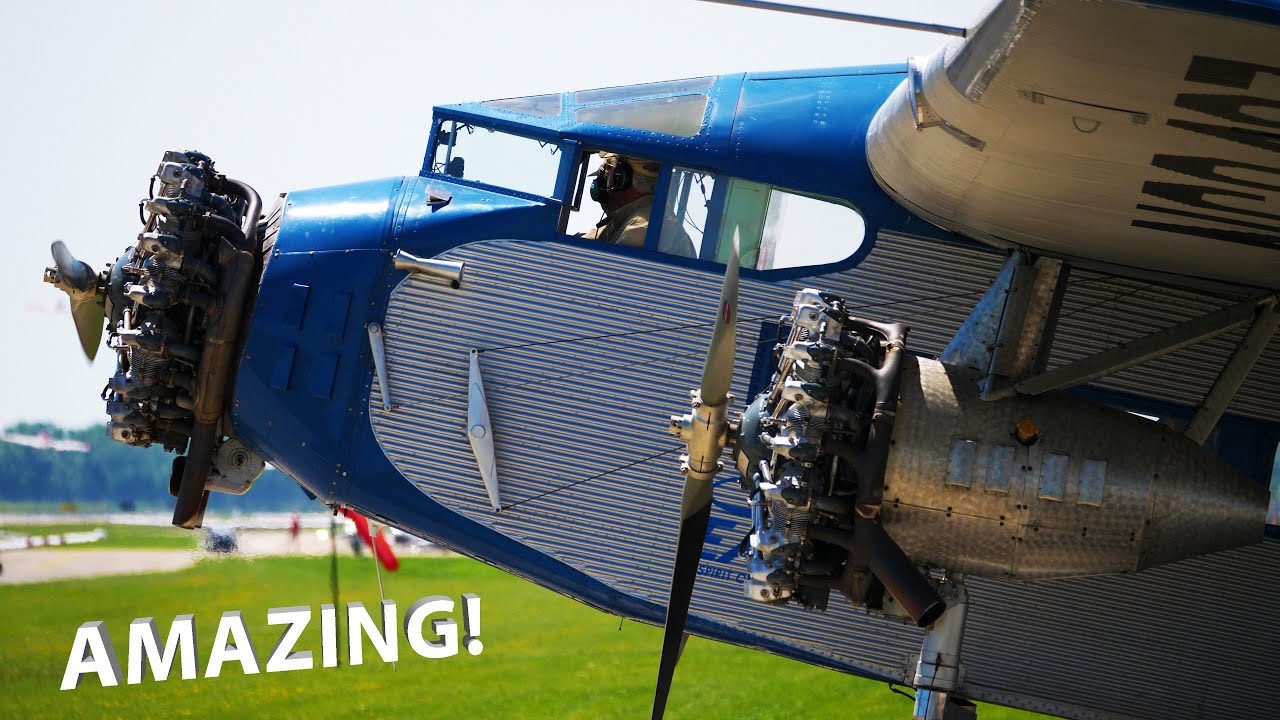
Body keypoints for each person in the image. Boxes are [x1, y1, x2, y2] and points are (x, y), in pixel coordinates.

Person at [580, 153, 661, 249]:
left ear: (619, 179)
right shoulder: (635, 217)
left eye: (606, 175)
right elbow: (604, 235)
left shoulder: (638, 229)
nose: (603, 186)